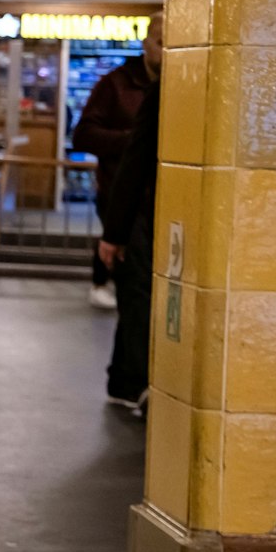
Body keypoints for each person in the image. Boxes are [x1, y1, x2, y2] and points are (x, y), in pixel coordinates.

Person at [73, 20, 162, 310]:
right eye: (161, 42)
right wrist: (135, 142)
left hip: (160, 197)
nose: (166, 51)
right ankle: (102, 282)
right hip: (120, 192)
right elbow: (83, 135)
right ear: (146, 43)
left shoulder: (181, 84)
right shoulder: (115, 84)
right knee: (137, 286)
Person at [100, 82, 159, 416]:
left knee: (139, 296)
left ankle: (126, 380)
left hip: (151, 211)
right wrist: (115, 231)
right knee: (139, 294)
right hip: (143, 211)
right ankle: (137, 382)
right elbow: (134, 159)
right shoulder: (120, 83)